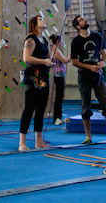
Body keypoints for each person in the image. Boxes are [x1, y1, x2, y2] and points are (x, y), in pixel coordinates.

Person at [70, 15, 106, 146]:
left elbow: (103, 52)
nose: (85, 20)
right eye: (81, 20)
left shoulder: (97, 36)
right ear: (78, 26)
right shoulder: (76, 41)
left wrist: (103, 62)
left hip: (98, 76)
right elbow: (74, 61)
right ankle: (88, 136)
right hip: (84, 76)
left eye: (84, 18)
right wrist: (89, 67)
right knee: (85, 105)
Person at [19, 15, 54, 151]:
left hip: (43, 77)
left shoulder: (43, 39)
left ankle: (39, 140)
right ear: (34, 24)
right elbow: (26, 58)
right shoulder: (31, 39)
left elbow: (45, 56)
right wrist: (44, 61)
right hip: (32, 76)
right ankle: (22, 142)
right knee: (29, 107)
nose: (44, 20)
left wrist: (49, 61)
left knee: (41, 108)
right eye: (41, 19)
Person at [47, 33, 69, 125]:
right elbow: (65, 61)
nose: (62, 42)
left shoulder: (55, 49)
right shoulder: (56, 50)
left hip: (60, 75)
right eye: (61, 40)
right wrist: (71, 56)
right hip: (59, 75)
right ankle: (56, 118)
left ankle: (59, 116)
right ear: (57, 41)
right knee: (59, 97)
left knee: (60, 96)